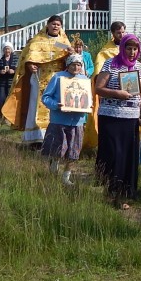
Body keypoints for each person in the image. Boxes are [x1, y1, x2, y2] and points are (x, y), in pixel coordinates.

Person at [95, 33, 141, 208]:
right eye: (129, 48)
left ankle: (125, 194)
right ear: (122, 48)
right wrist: (116, 93)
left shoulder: (140, 68)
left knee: (128, 156)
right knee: (113, 153)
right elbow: (98, 88)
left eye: (135, 49)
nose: (132, 52)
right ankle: (110, 191)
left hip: (131, 117)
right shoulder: (110, 64)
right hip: (110, 116)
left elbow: (140, 93)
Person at [2, 15, 72, 146]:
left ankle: (54, 137)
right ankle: (35, 139)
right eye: (53, 24)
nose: (55, 26)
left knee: (55, 106)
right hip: (40, 78)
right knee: (36, 106)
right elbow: (26, 57)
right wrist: (29, 65)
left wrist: (71, 53)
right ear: (48, 25)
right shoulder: (38, 40)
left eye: (58, 24)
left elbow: (69, 59)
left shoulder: (62, 42)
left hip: (58, 79)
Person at [40, 54, 90, 186]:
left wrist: (88, 106)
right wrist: (56, 105)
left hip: (77, 121)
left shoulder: (84, 80)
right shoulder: (58, 77)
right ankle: (53, 172)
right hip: (59, 121)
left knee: (74, 151)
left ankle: (66, 178)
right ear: (68, 65)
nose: (76, 67)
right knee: (56, 149)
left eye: (79, 65)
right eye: (73, 64)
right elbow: (45, 97)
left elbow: (87, 99)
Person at [83, 21, 125, 154]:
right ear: (113, 34)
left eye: (123, 32)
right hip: (111, 89)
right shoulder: (105, 52)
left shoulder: (129, 47)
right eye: (119, 32)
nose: (122, 35)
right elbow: (98, 71)